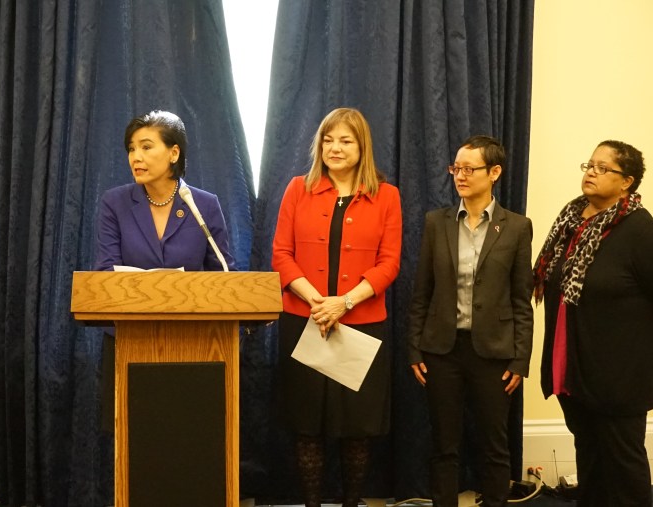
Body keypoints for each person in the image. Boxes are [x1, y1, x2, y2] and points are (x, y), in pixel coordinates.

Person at [271, 107, 402, 507]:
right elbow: (281, 254)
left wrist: (343, 303)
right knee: (307, 426)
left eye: (345, 140)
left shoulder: (387, 196)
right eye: (328, 140)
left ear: (362, 147)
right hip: (304, 321)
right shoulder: (298, 189)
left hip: (361, 324)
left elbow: (389, 263)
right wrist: (318, 302)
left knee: (355, 428)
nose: (335, 147)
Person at [407, 135, 533, 507]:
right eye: (455, 168)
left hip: (494, 353)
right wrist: (415, 348)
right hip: (442, 350)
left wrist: (520, 359)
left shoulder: (516, 227)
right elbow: (421, 292)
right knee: (444, 444)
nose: (460, 175)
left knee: (494, 446)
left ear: (494, 172)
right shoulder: (436, 223)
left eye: (469, 168)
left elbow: (521, 299)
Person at [94, 110, 235, 430]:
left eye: (146, 147)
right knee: (134, 439)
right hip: (128, 339)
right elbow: (105, 272)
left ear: (174, 153)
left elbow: (223, 274)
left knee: (188, 437)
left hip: (193, 342)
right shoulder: (114, 203)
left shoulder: (203, 204)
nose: (136, 157)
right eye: (131, 148)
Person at [533, 140, 653, 507]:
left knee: (622, 468)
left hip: (619, 377)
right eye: (590, 164)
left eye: (604, 168)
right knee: (589, 457)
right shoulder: (571, 220)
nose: (591, 172)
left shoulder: (639, 230)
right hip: (573, 371)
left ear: (627, 182)